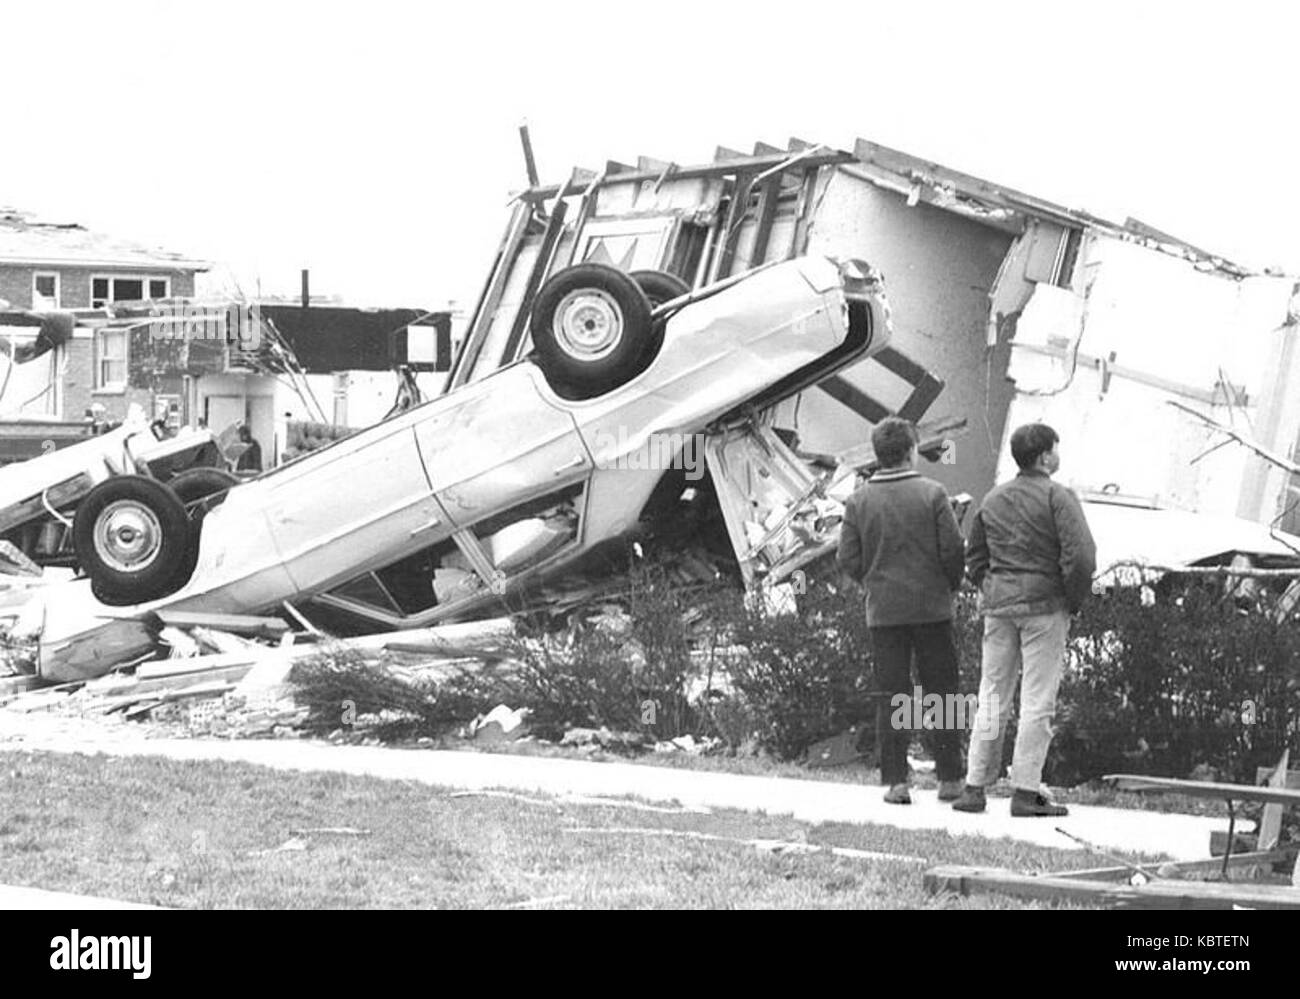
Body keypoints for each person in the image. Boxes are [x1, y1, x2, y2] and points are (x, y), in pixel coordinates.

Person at [952, 423, 1096, 817]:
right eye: (1056, 447)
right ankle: (1025, 790)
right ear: (1046, 456)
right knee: (1037, 700)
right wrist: (1071, 598)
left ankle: (974, 786)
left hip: (999, 608)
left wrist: (991, 586)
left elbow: (975, 556)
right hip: (1044, 607)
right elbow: (1080, 556)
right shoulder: (1058, 497)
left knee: (991, 696)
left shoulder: (994, 498)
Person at [836, 417, 966, 805]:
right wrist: (950, 585)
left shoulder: (858, 501)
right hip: (932, 609)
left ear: (877, 454)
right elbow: (953, 550)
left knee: (893, 695)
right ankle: (950, 778)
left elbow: (848, 558)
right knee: (941, 694)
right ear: (911, 451)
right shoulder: (933, 493)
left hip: (884, 613)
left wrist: (872, 581)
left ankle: (896, 781)